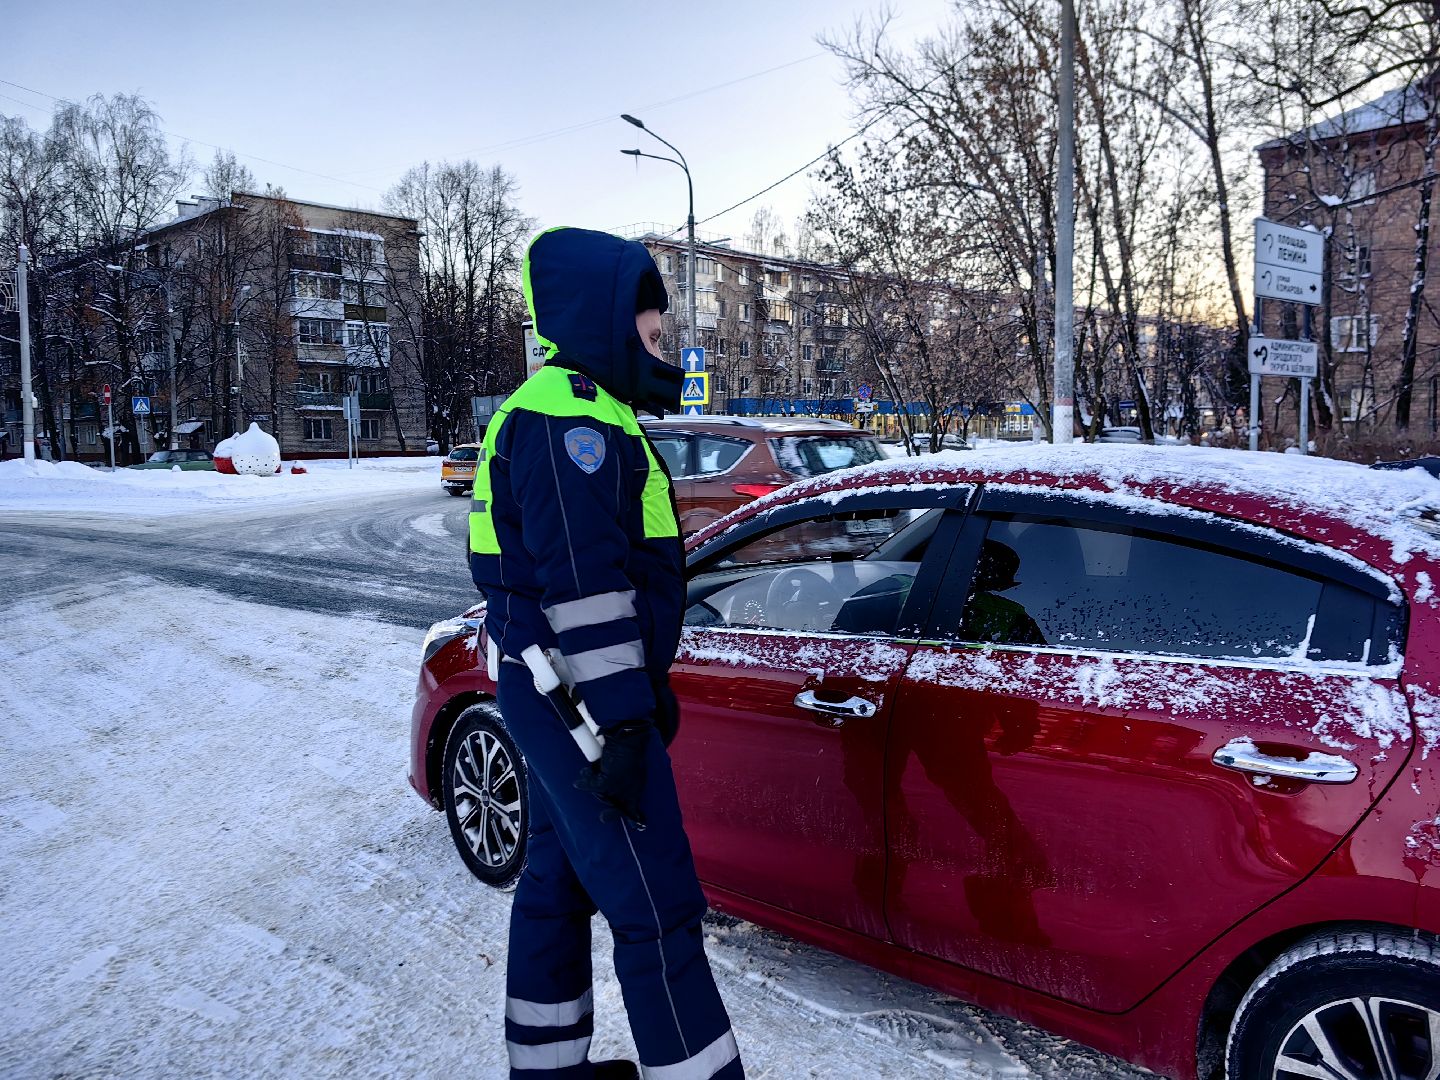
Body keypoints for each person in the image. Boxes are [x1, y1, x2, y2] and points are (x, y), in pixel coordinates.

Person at [468, 227, 743, 1080]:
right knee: (657, 906)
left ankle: (546, 1069)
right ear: (603, 321)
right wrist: (622, 720)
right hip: (576, 701)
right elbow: (586, 584)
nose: (660, 352)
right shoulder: (572, 416)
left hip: (556, 690)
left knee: (555, 883)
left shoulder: (578, 408)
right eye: (652, 335)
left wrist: (634, 694)